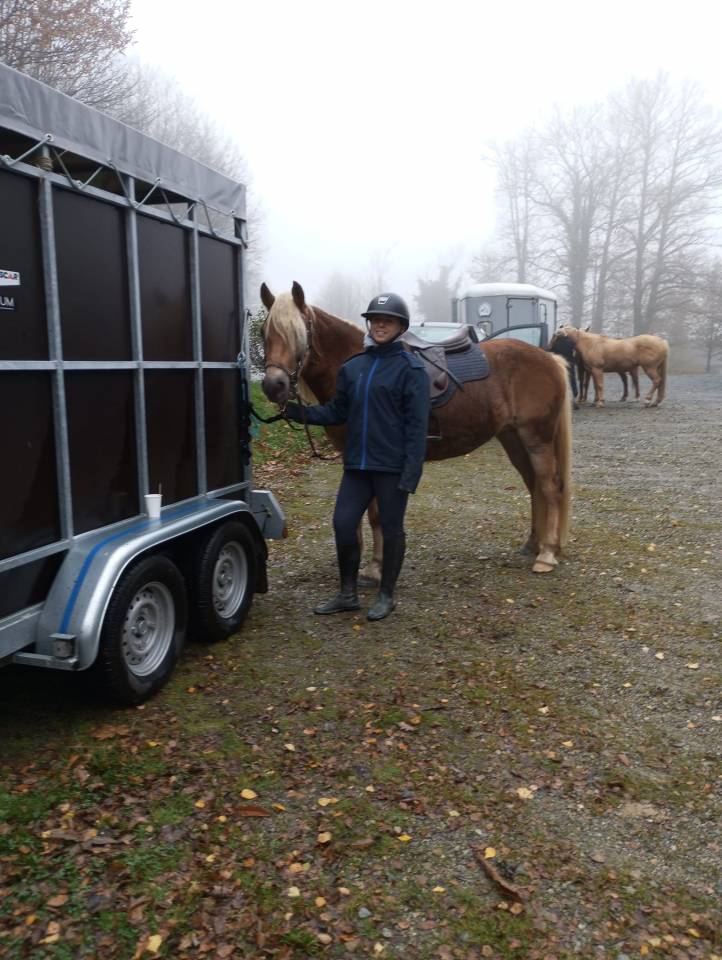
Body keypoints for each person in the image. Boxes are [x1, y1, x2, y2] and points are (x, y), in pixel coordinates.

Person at [283, 293, 430, 621]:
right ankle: (347, 593)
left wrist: (411, 474)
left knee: (392, 530)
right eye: (375, 320)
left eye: (387, 321)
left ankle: (386, 595)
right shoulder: (354, 367)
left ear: (400, 327)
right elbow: (336, 410)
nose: (380, 325)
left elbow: (417, 428)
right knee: (343, 524)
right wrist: (292, 412)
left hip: (391, 468)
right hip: (357, 467)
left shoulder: (411, 370)